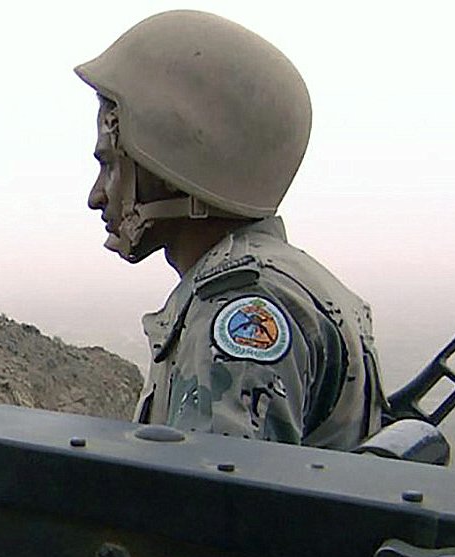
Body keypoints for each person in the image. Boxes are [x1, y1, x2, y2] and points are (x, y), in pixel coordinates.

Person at [75, 10, 384, 450]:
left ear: (171, 166)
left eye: (110, 165)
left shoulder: (237, 308)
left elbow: (211, 489)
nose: (96, 196)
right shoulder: (294, 282)